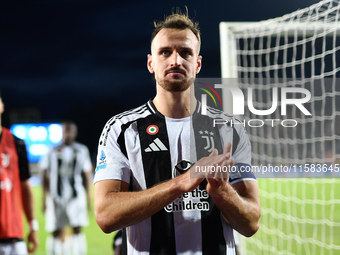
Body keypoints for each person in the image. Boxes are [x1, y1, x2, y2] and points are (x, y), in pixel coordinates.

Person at [94, 9, 261, 255]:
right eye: (165, 52)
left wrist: (223, 192)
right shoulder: (121, 129)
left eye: (185, 52)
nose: (175, 61)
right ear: (151, 63)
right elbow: (105, 215)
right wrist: (181, 183)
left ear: (198, 63)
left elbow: (251, 223)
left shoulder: (230, 129)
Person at [40, 120, 93, 255]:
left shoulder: (82, 150)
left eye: (70, 131)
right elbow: (44, 174)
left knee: (77, 229)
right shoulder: (51, 151)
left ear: (75, 133)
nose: (67, 135)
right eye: (65, 131)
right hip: (55, 197)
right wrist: (43, 198)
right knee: (55, 230)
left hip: (75, 197)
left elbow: (87, 174)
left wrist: (89, 196)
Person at [0, 91, 39, 254]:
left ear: (1, 106)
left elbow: (25, 187)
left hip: (15, 237)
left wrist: (33, 226)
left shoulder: (17, 143)